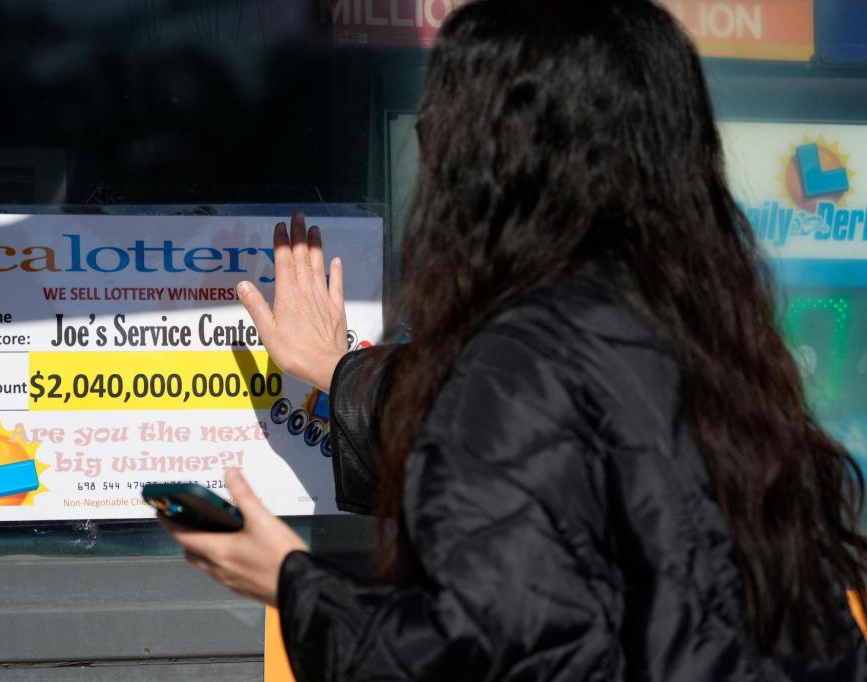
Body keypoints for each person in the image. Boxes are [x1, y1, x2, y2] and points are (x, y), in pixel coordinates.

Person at [157, 0, 867, 679]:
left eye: (438, 129)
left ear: (493, 163)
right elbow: (566, 450)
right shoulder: (707, 338)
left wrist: (289, 579)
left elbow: (480, 654)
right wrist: (343, 372)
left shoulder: (518, 361)